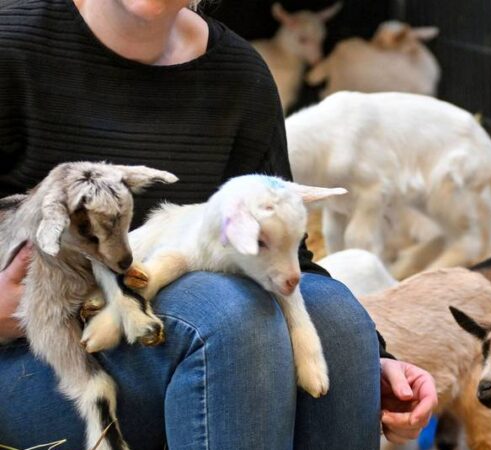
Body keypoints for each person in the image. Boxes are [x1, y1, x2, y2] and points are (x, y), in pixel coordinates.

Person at [0, 0, 437, 448]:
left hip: (154, 327)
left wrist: (376, 361)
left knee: (336, 317)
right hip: (37, 358)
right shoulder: (10, 43)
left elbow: (288, 256)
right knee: (227, 312)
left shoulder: (240, 74)